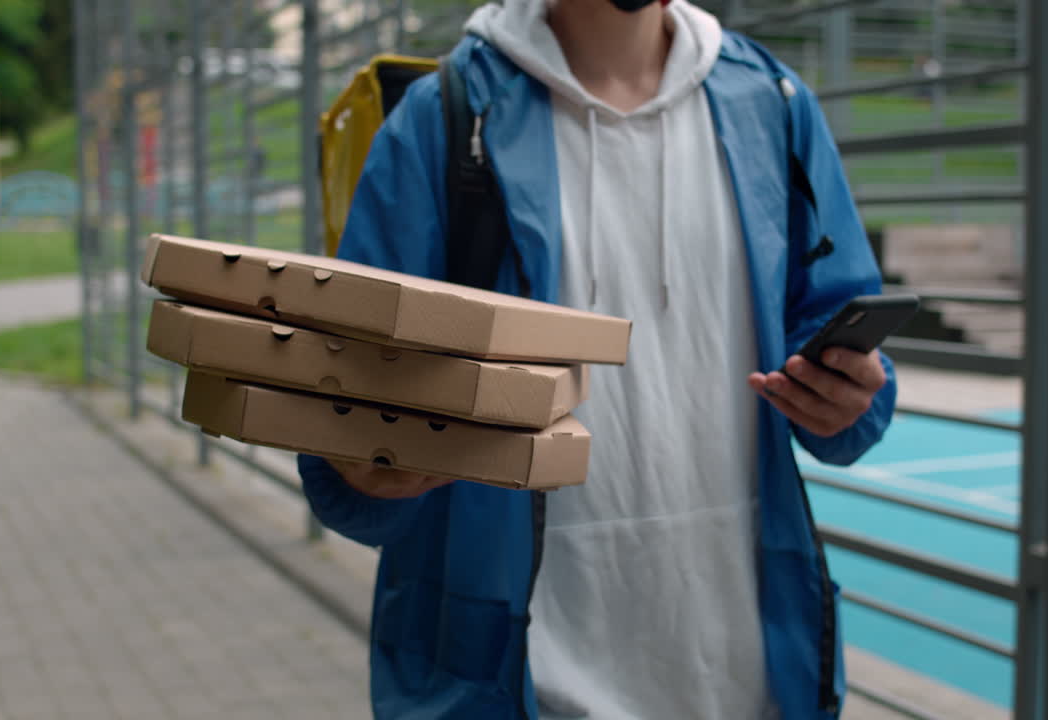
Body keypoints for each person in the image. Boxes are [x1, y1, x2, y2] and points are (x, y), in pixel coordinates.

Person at [297, 0, 896, 717]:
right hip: (513, 683)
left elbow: (844, 339)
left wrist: (848, 399)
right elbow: (345, 424)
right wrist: (367, 470)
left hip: (748, 683)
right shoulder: (444, 120)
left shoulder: (773, 104)